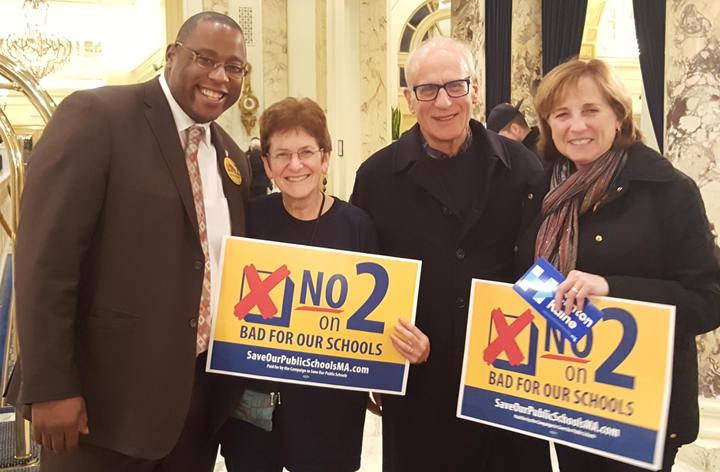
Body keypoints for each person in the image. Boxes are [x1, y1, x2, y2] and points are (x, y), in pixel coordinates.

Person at [6, 12, 252, 472]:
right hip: (100, 408)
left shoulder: (232, 159)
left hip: (193, 411)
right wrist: (51, 385)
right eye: (206, 59)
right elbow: (46, 259)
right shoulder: (98, 117)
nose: (220, 76)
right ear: (172, 55)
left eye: (234, 67)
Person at [351, 37, 550, 472]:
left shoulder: (525, 168)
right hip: (420, 382)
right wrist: (373, 359)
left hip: (505, 379)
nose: (443, 101)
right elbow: (362, 275)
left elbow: (543, 263)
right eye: (427, 89)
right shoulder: (376, 177)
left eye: (455, 86)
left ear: (474, 89)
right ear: (409, 98)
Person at [515, 58, 720, 471]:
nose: (577, 126)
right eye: (562, 114)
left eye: (591, 110)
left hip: (640, 409)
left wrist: (612, 289)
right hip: (563, 395)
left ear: (619, 115)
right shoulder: (541, 191)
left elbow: (708, 300)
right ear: (548, 125)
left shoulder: (669, 190)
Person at [219, 96, 429, 472]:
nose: (295, 165)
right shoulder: (247, 222)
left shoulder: (357, 226)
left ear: (326, 158)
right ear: (266, 165)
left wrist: (393, 359)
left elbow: (377, 318)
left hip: (328, 413)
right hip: (251, 409)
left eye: (306, 152)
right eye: (281, 154)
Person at [486, 100, 546, 166]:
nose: (500, 145)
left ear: (515, 129)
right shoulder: (544, 144)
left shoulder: (528, 159)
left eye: (500, 139)